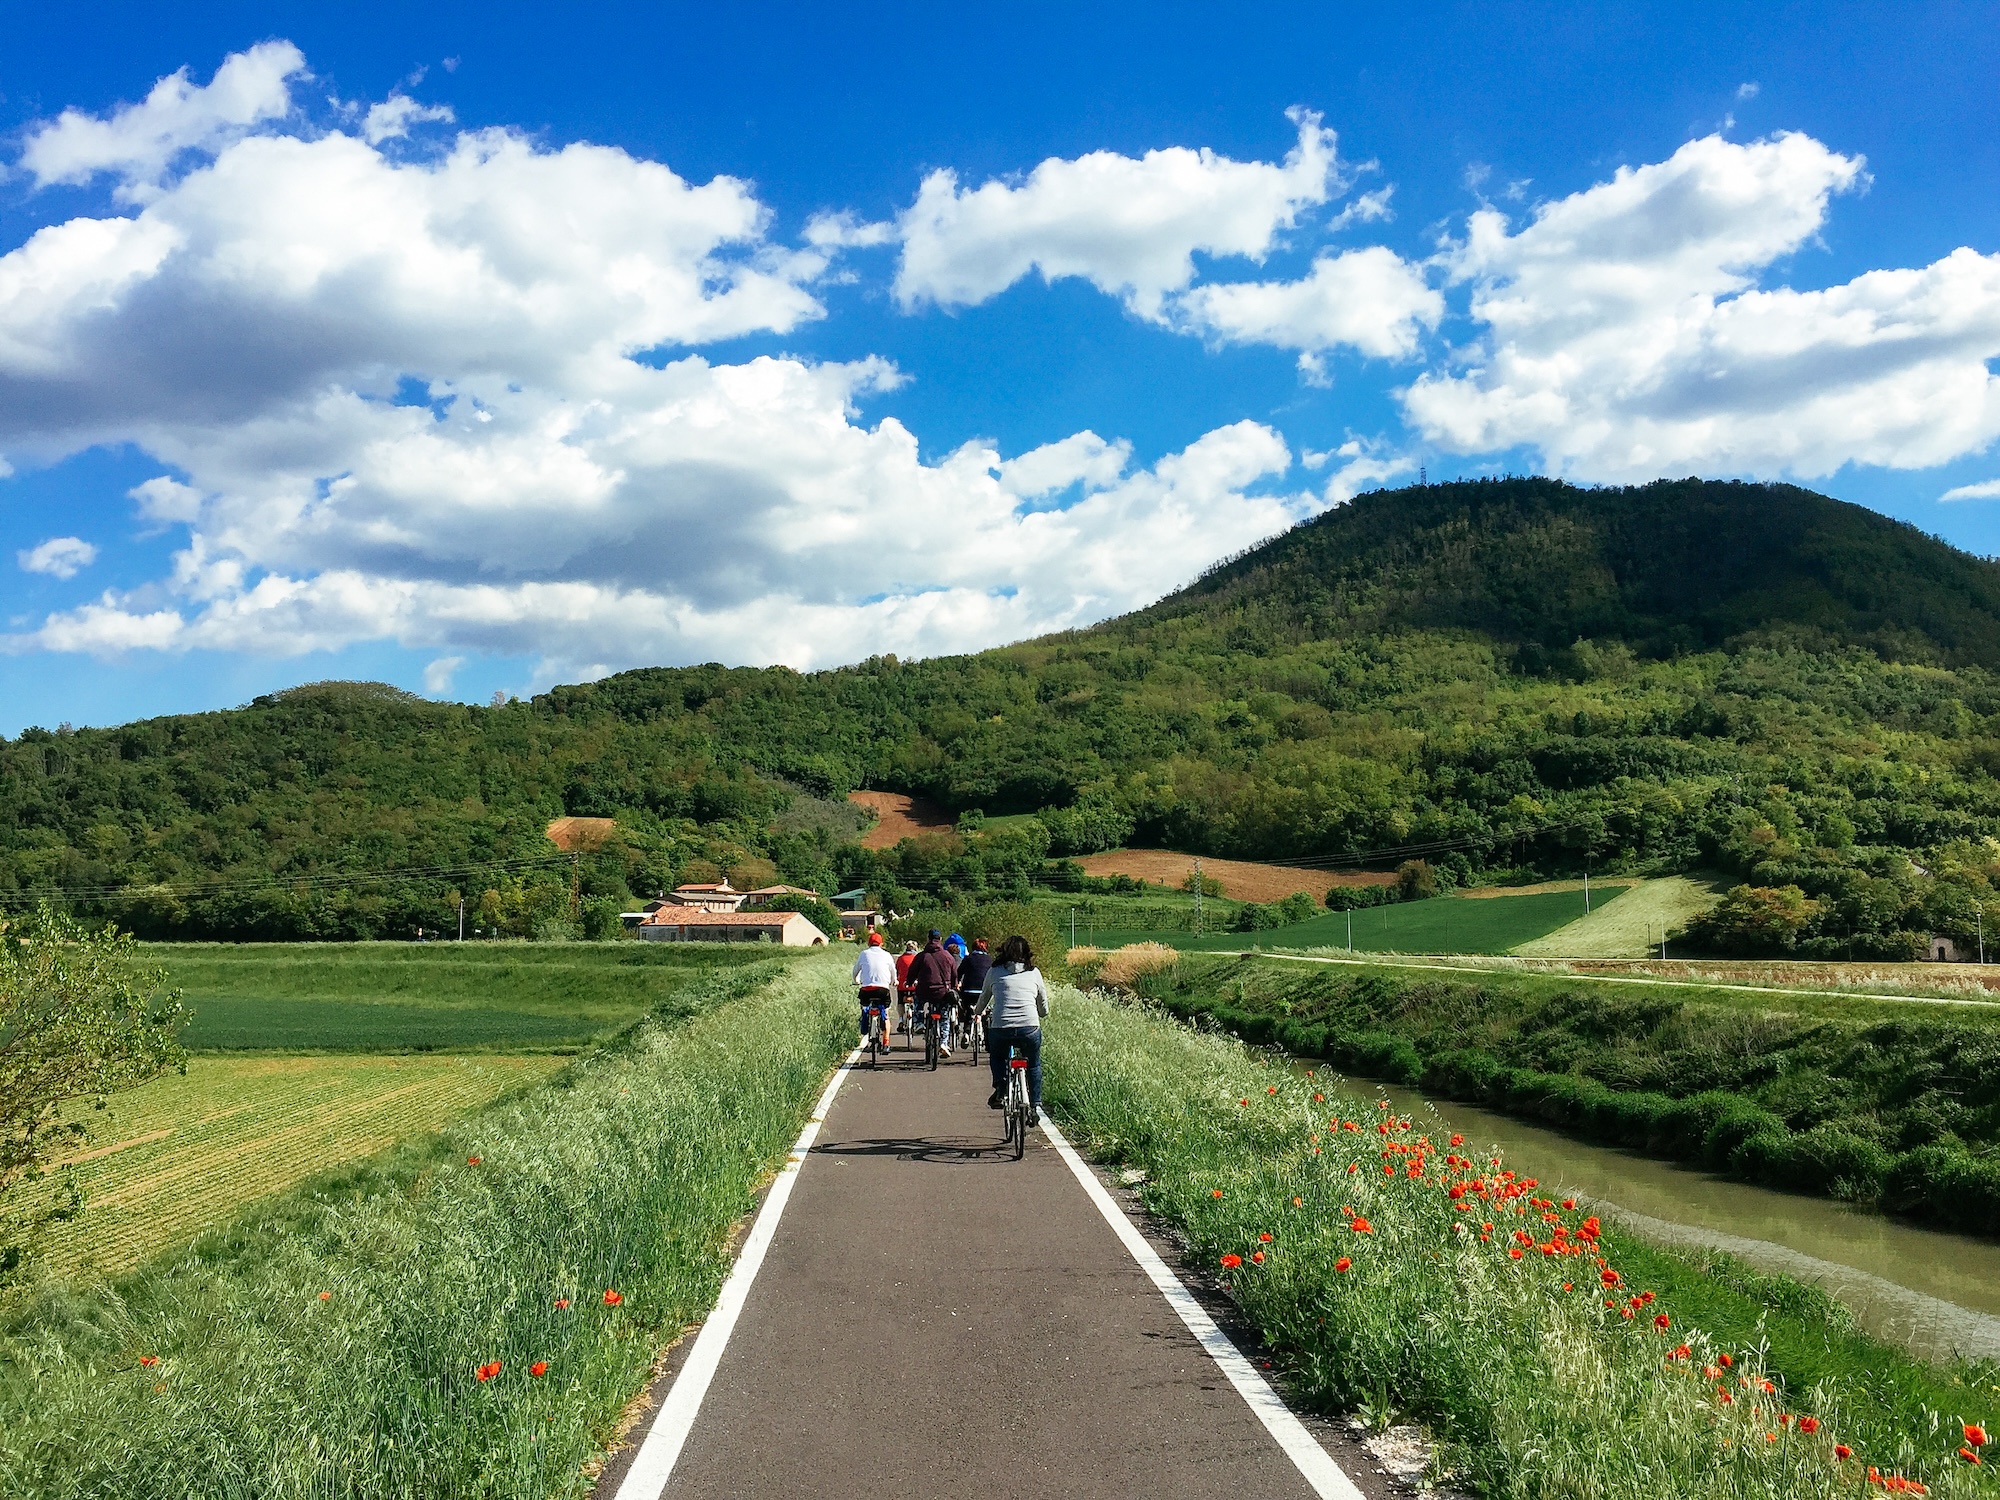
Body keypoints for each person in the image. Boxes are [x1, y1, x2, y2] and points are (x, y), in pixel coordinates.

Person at [979, 934, 1050, 1123]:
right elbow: (1042, 999)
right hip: (1029, 1028)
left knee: (997, 1056)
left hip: (1001, 1027)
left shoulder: (994, 971)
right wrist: (1043, 1013)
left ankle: (1001, 1090)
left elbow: (985, 996)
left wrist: (978, 1012)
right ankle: (1035, 1105)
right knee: (1033, 1064)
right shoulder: (1034, 972)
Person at [906, 929, 960, 1055]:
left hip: (924, 991)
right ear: (940, 939)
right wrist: (954, 986)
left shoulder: (921, 956)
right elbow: (954, 975)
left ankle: (919, 1023)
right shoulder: (948, 956)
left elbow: (912, 972)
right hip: (942, 992)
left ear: (928, 939)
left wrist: (909, 982)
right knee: (944, 1017)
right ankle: (943, 1043)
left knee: (918, 1003)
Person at [850, 931, 896, 1049]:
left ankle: (866, 1024)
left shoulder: (864, 954)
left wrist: (856, 981)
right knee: (885, 1013)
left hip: (866, 989)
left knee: (865, 1005)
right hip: (882, 990)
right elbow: (893, 972)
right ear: (881, 943)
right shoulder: (887, 955)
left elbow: (855, 971)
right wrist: (893, 981)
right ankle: (886, 1043)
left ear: (869, 943)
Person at [955, 937, 993, 1044]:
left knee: (968, 1009)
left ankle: (966, 1033)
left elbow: (959, 973)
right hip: (984, 991)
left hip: (968, 991)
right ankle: (986, 1038)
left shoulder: (968, 958)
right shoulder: (990, 960)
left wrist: (957, 983)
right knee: (985, 1011)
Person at [894, 940, 921, 1034]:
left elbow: (897, 972)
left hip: (902, 986)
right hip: (914, 986)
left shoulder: (901, 959)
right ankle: (917, 1020)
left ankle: (901, 1019)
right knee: (918, 1002)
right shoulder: (917, 958)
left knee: (900, 1002)